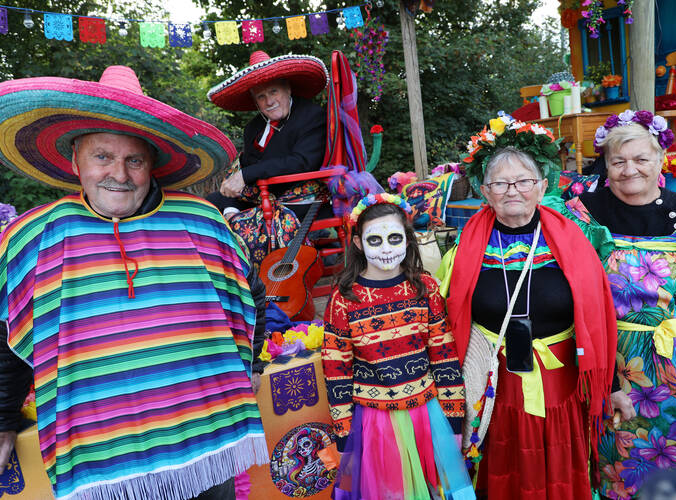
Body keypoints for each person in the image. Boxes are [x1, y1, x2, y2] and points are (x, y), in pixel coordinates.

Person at [0, 66, 269, 500]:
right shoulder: (35, 238)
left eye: (134, 160)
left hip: (207, 437)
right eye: (102, 156)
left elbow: (250, 291)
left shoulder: (202, 222)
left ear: (152, 163)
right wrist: (3, 420)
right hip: (102, 458)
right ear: (75, 160)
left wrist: (252, 363)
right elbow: (6, 332)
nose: (120, 175)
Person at [552, 110, 676, 499]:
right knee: (616, 456)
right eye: (618, 161)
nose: (630, 170)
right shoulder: (580, 216)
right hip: (612, 365)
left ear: (660, 160)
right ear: (606, 165)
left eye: (641, 159)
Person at [439, 147, 625, 499]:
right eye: (501, 183)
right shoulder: (465, 249)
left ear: (541, 188)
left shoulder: (573, 241)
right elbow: (447, 320)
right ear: (485, 191)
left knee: (560, 465)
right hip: (495, 384)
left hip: (561, 384)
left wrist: (611, 384)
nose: (512, 191)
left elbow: (598, 317)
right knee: (505, 462)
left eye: (523, 181)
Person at [321, 193, 474, 500]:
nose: (387, 248)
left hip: (427, 416)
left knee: (436, 490)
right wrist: (344, 433)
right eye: (374, 240)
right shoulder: (344, 300)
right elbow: (336, 371)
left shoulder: (426, 289)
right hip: (375, 422)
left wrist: (453, 420)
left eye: (394, 238)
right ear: (358, 243)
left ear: (407, 239)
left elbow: (444, 356)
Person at [206, 51, 328, 268]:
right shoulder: (253, 127)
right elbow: (248, 166)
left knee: (244, 221)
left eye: (274, 91)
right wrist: (231, 207)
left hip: (300, 200)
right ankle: (222, 269)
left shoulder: (311, 115)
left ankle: (255, 275)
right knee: (208, 205)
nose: (269, 101)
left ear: (288, 88)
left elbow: (301, 163)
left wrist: (246, 175)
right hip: (261, 195)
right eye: (261, 96)